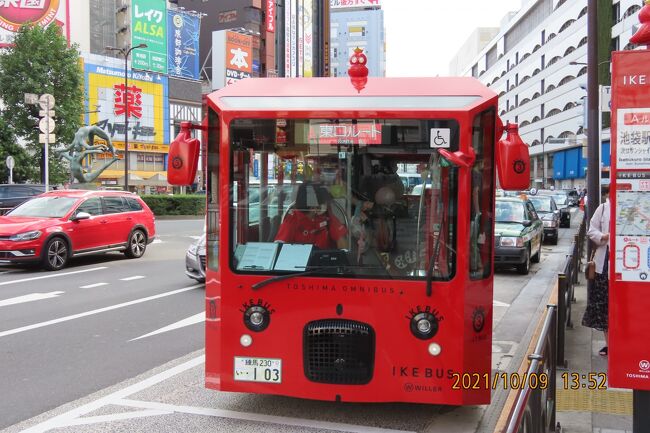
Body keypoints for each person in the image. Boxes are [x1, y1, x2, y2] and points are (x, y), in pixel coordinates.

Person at [275, 183, 348, 250]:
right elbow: (278, 248)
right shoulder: (293, 219)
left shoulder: (327, 217)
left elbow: (342, 242)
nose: (325, 205)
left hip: (323, 261)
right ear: (313, 206)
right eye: (322, 202)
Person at [582, 184, 610, 356]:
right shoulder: (604, 208)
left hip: (628, 261)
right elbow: (591, 230)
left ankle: (621, 341)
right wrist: (602, 237)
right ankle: (609, 343)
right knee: (604, 305)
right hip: (603, 262)